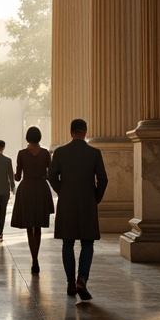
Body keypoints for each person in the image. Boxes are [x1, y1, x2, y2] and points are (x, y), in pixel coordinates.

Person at [48, 118, 107, 302]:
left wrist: (62, 191)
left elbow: (51, 176)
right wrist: (95, 197)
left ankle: (70, 283)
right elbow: (103, 180)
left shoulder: (60, 152)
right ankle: (82, 278)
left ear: (70, 131)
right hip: (87, 201)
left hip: (67, 202)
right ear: (85, 131)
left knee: (67, 243)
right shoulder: (94, 153)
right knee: (87, 243)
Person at [10, 126, 54, 273]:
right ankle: (36, 258)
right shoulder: (45, 153)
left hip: (27, 188)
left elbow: (17, 176)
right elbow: (51, 173)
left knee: (30, 226)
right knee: (39, 225)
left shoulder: (22, 153)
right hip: (41, 188)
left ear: (27, 138)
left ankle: (34, 258)